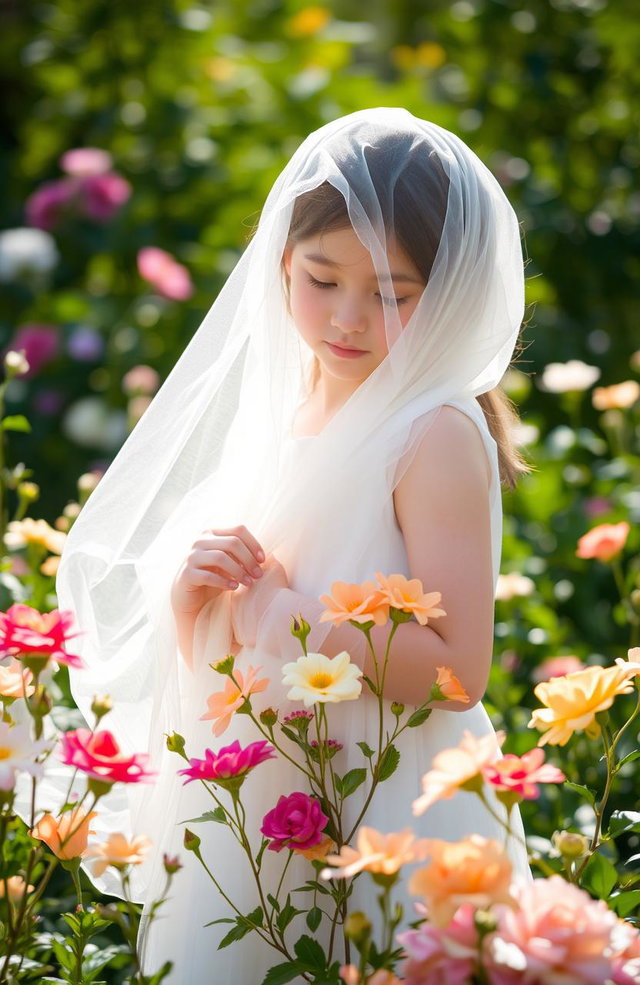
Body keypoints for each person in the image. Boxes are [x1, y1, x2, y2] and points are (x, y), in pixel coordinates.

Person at [56, 108, 531, 982]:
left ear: (449, 290)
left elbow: (459, 665)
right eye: (322, 279)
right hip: (269, 789)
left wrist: (282, 613)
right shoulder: (289, 405)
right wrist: (196, 598)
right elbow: (249, 602)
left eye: (392, 293)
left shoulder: (432, 432)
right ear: (281, 262)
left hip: (384, 797)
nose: (348, 318)